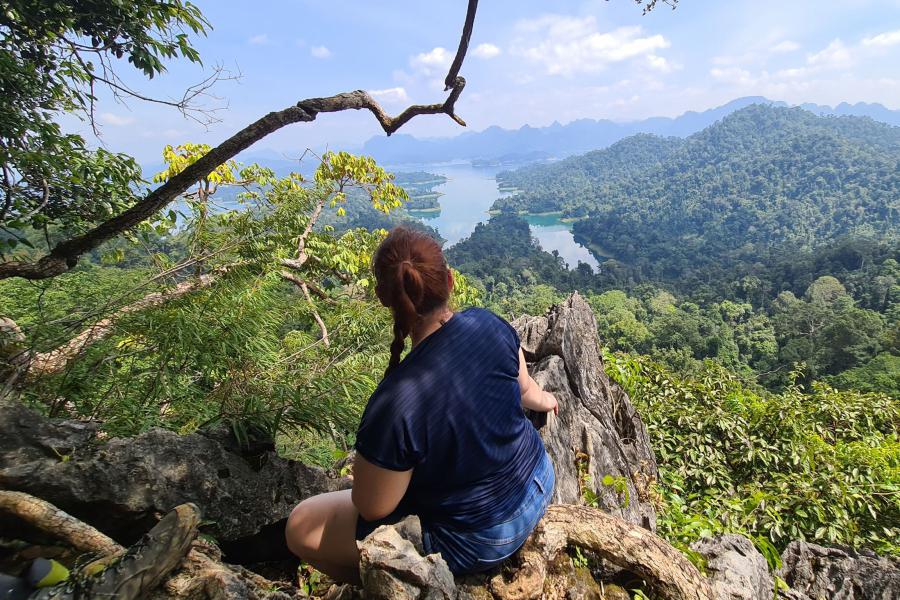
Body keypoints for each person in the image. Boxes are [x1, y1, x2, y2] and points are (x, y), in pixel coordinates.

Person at [285, 226, 558, 583]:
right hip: (539, 478)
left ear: (386, 299)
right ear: (450, 280)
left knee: (300, 525)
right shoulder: (488, 324)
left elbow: (372, 507)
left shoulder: (396, 401)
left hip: (483, 536)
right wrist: (547, 399)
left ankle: (385, 589)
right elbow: (527, 390)